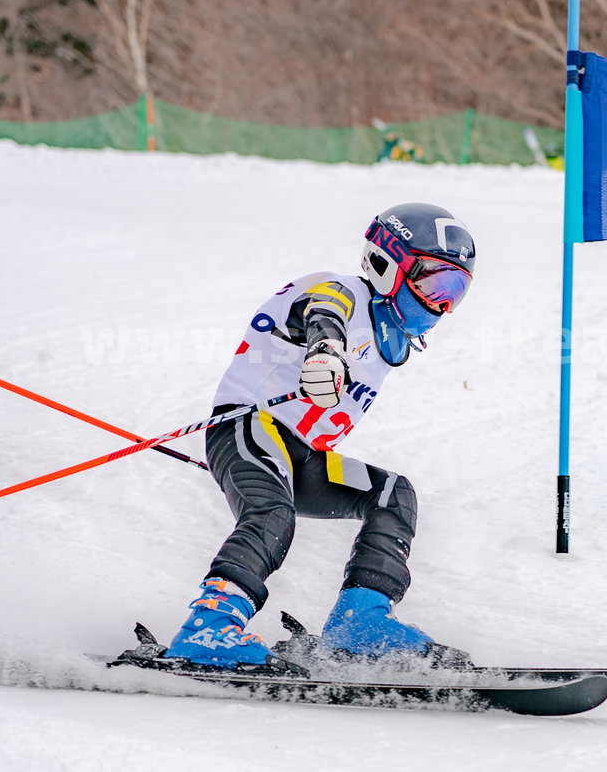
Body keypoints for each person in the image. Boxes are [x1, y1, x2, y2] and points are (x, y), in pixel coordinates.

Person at [165, 202, 476, 669]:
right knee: (272, 512)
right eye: (434, 282)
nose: (442, 304)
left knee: (392, 495)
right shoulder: (341, 291)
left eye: (456, 290)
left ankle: (361, 622)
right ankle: (208, 629)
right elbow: (323, 309)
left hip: (304, 456)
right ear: (387, 264)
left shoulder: (388, 331)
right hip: (247, 428)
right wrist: (326, 350)